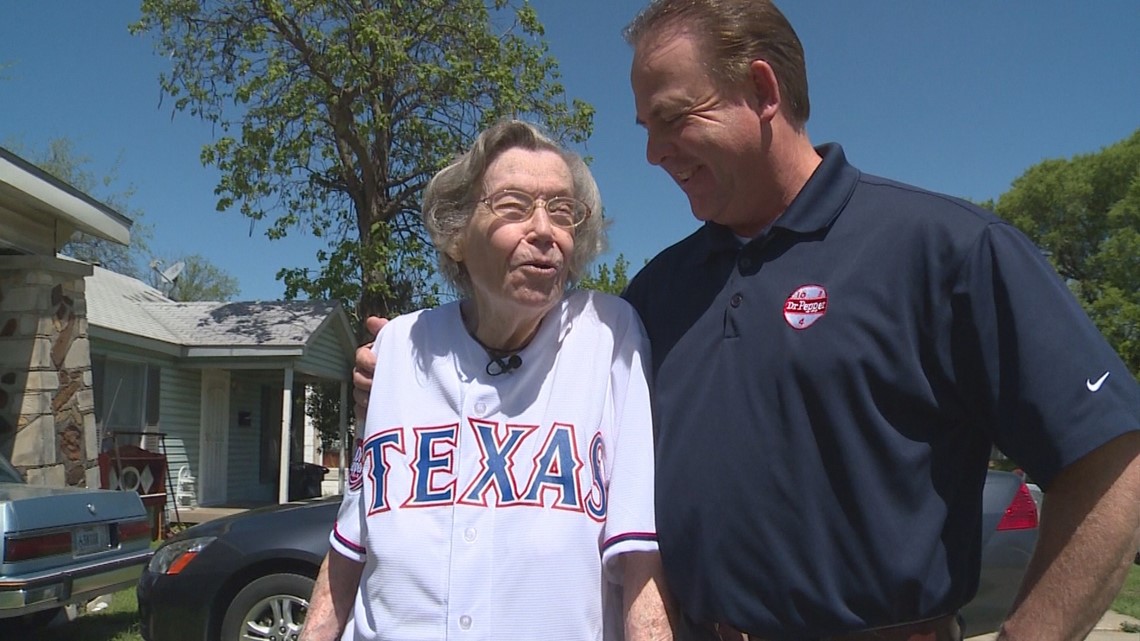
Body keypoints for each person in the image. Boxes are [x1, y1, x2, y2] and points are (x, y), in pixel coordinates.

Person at [353, 1, 1140, 639]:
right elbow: (530, 371)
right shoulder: (658, 294)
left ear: (763, 90)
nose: (655, 153)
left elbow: (1113, 459)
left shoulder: (943, 250)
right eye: (646, 130)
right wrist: (411, 372)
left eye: (672, 118)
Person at [302, 120, 672, 641]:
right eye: (514, 206)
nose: (545, 230)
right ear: (456, 234)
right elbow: (350, 548)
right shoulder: (399, 348)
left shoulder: (608, 337)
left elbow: (639, 560)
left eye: (562, 212)